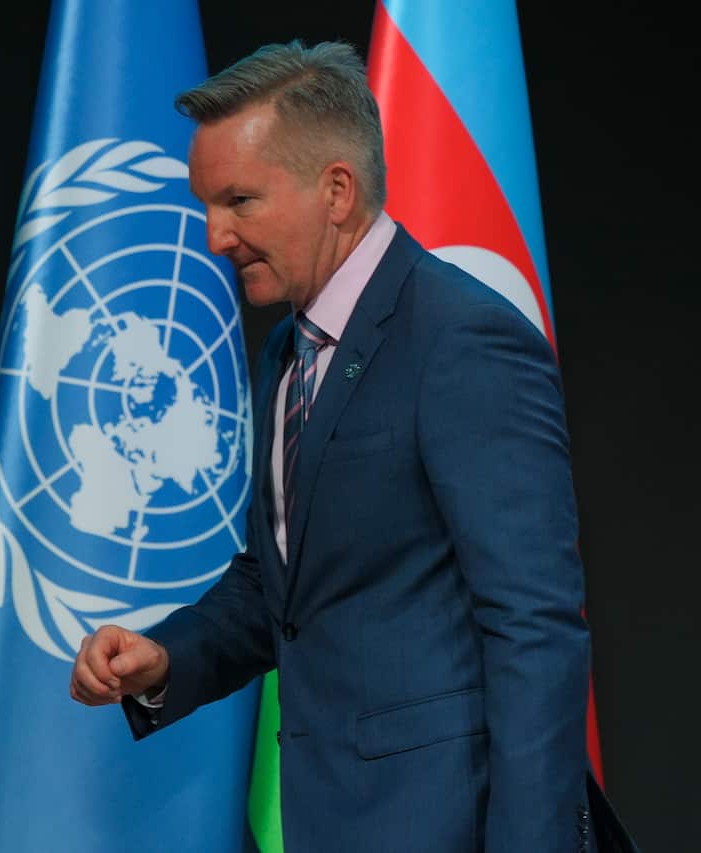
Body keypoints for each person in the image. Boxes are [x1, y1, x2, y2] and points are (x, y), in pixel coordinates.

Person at [69, 40, 623, 852]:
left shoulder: (461, 340)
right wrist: (164, 657)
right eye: (207, 206)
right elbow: (285, 589)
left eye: (239, 201)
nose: (215, 236)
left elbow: (534, 626)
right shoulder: (285, 353)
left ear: (336, 189)